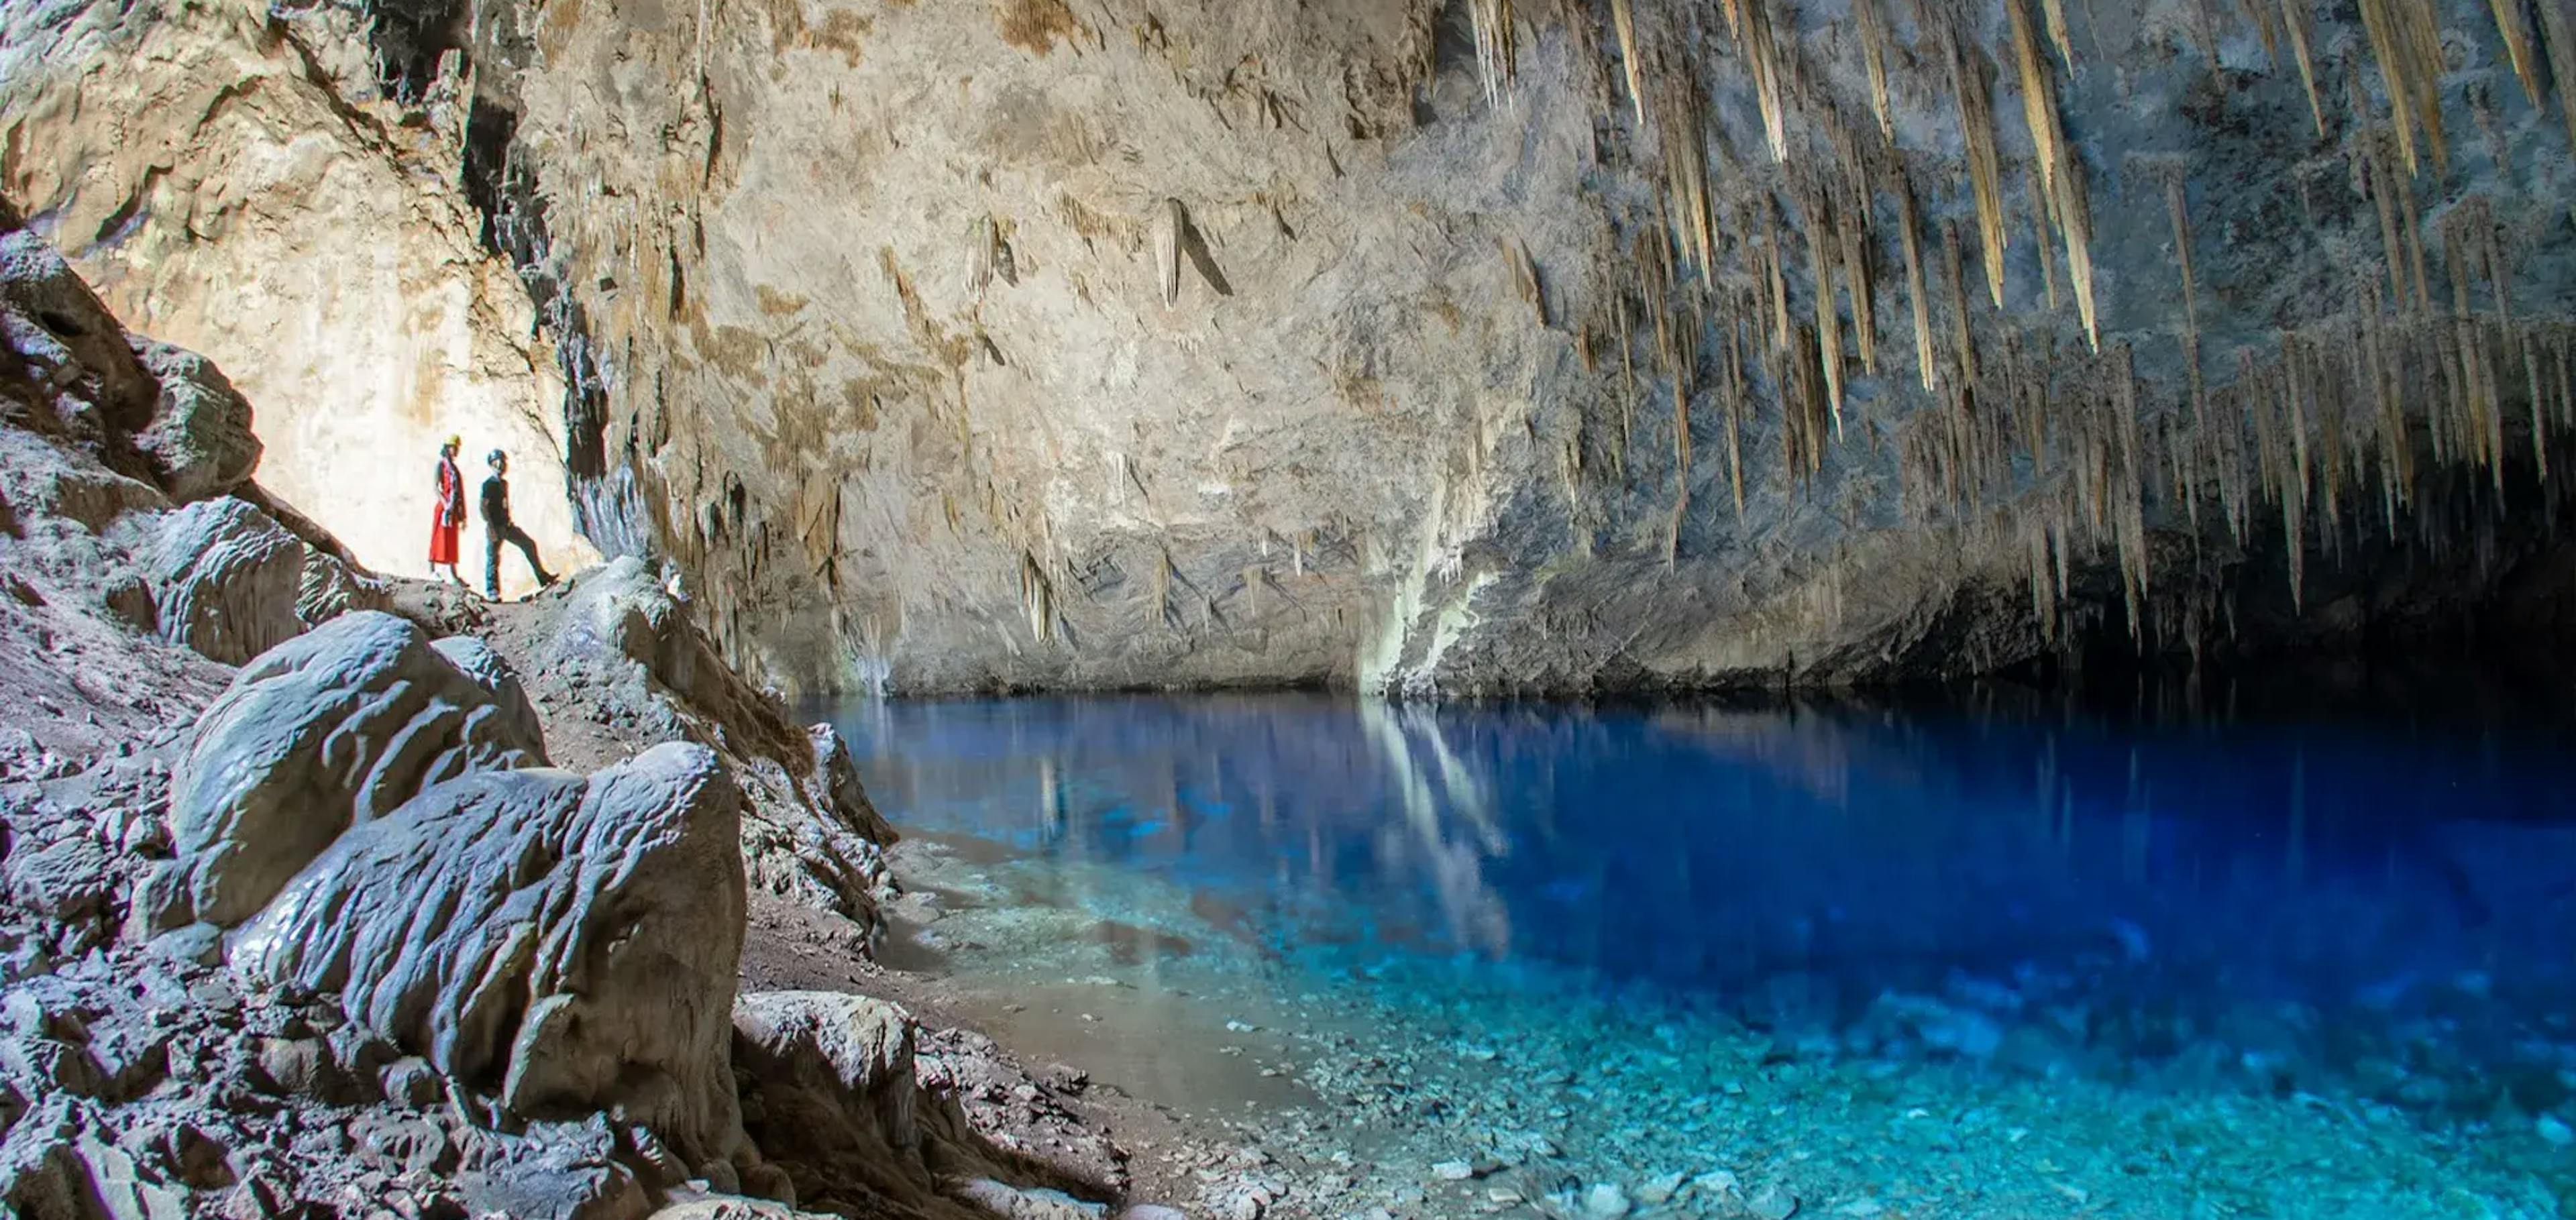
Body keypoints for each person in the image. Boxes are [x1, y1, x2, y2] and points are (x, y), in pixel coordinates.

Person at [481, 449, 555, 598]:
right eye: (497, 462)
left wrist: (507, 520)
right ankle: (492, 591)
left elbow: (504, 504)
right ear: (492, 464)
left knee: (528, 544)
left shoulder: (503, 484)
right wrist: (491, 527)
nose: (501, 465)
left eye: (502, 462)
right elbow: (483, 507)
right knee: (493, 558)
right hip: (495, 527)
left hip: (506, 526)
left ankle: (542, 577)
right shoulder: (488, 485)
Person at [429, 436, 467, 586]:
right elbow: (436, 486)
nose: (456, 451)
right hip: (443, 508)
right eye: (454, 447)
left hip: (453, 510)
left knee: (452, 540)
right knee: (438, 537)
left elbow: (460, 493)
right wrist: (444, 503)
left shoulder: (455, 470)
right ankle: (432, 570)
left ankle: (453, 574)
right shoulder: (441, 465)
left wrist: (462, 515)